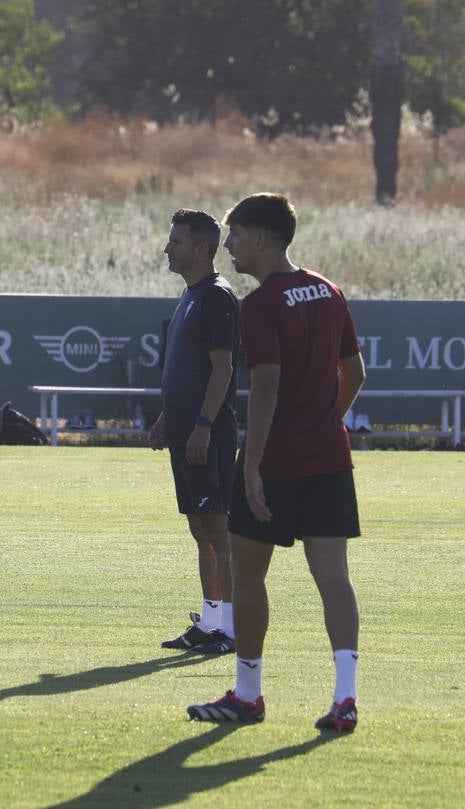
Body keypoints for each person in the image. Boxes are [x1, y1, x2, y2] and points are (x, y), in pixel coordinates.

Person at [186, 193, 366, 732]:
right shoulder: (330, 291)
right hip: (330, 459)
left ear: (261, 239)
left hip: (279, 461)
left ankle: (248, 695)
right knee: (334, 578)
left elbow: (265, 384)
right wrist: (324, 420)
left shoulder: (260, 304)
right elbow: (355, 372)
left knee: (246, 574)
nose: (231, 248)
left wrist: (251, 466)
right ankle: (345, 697)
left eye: (235, 236)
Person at [149, 208, 240, 655]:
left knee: (219, 530)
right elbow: (185, 370)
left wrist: (203, 425)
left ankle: (232, 629)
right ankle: (209, 621)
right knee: (200, 529)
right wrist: (169, 418)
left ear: (202, 248)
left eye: (176, 241)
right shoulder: (189, 296)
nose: (168, 248)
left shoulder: (217, 297)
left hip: (209, 435)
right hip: (185, 433)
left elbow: (222, 370)